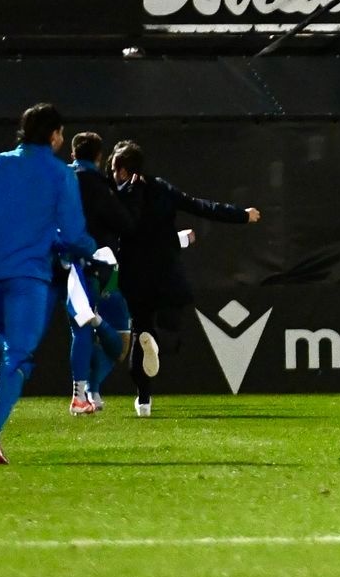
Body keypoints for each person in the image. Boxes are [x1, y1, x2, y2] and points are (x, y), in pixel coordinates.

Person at [0, 104, 96, 464]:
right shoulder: (60, 174)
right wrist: (93, 250)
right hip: (28, 276)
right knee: (20, 355)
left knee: (6, 345)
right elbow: (73, 233)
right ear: (54, 135)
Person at [108, 140, 260, 417]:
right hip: (165, 272)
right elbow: (200, 206)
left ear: (124, 170)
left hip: (133, 275)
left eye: (116, 168)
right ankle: (158, 344)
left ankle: (144, 400)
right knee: (170, 328)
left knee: (141, 329)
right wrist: (242, 215)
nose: (114, 173)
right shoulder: (160, 188)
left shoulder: (115, 196)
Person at [62, 131, 137, 415]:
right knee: (117, 341)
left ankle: (88, 391)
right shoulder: (100, 186)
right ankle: (83, 393)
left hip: (60, 264)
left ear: (72, 154)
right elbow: (126, 224)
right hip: (100, 268)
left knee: (80, 331)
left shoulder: (61, 178)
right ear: (99, 156)